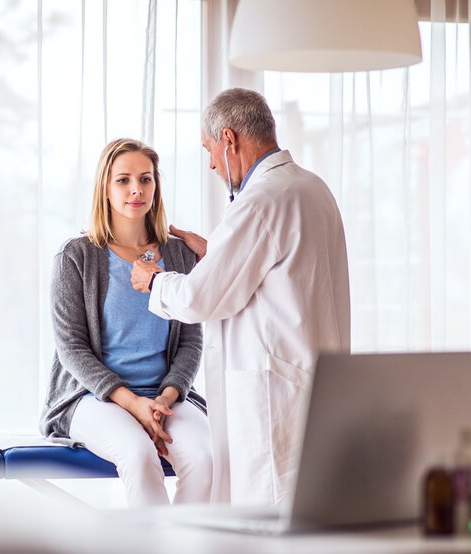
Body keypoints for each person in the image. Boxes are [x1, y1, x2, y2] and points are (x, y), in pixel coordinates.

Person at [131, 88, 351, 506]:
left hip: (274, 398)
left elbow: (199, 299)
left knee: (267, 523)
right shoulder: (311, 187)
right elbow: (283, 271)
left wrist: (154, 281)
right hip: (314, 385)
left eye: (210, 151)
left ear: (229, 139)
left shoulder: (260, 201)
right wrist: (217, 252)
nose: (212, 163)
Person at [40, 138, 213, 507]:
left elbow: (190, 341)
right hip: (94, 397)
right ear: (105, 188)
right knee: (139, 457)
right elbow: (71, 348)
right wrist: (133, 404)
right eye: (123, 180)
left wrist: (165, 398)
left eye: (146, 179)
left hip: (166, 396)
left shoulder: (180, 253)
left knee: (204, 459)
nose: (137, 189)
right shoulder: (76, 256)